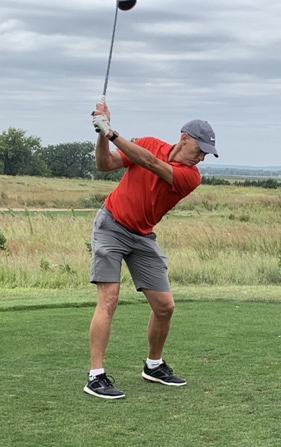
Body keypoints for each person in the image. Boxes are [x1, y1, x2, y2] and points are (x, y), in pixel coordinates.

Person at [84, 101, 218, 399]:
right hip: (111, 225)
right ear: (184, 138)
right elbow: (105, 165)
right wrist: (100, 132)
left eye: (206, 154)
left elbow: (152, 164)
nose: (201, 158)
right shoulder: (147, 143)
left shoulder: (191, 176)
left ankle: (153, 365)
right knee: (109, 299)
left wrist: (111, 133)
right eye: (199, 150)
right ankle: (95, 375)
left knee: (165, 307)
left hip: (142, 236)